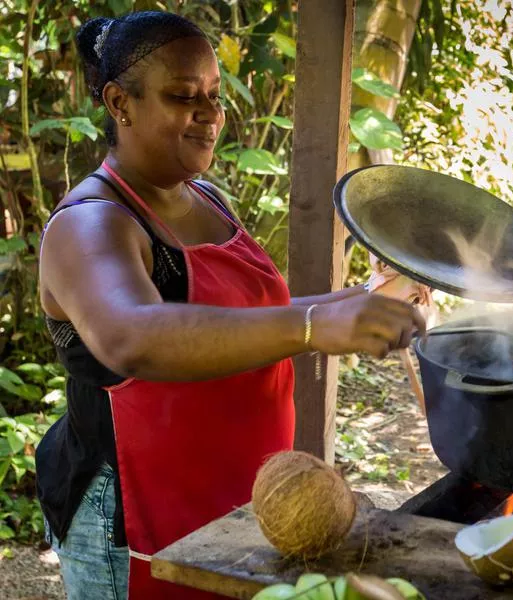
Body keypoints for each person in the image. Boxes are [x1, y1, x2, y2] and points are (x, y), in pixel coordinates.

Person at [35, 11, 427, 600]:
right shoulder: (91, 224)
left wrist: (366, 301)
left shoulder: (205, 197)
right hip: (138, 519)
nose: (211, 114)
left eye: (215, 96)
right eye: (182, 96)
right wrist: (314, 324)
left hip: (241, 498)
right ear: (120, 102)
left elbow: (246, 315)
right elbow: (133, 335)